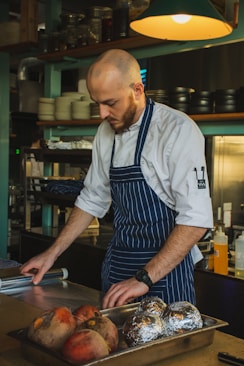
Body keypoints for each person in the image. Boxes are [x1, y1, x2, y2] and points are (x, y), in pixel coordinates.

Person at [20, 49, 213, 309]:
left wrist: (143, 278)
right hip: (118, 269)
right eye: (96, 103)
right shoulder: (106, 132)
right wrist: (51, 254)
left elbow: (195, 221)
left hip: (165, 277)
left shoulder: (177, 131)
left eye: (110, 103)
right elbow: (92, 198)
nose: (101, 114)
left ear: (137, 90)